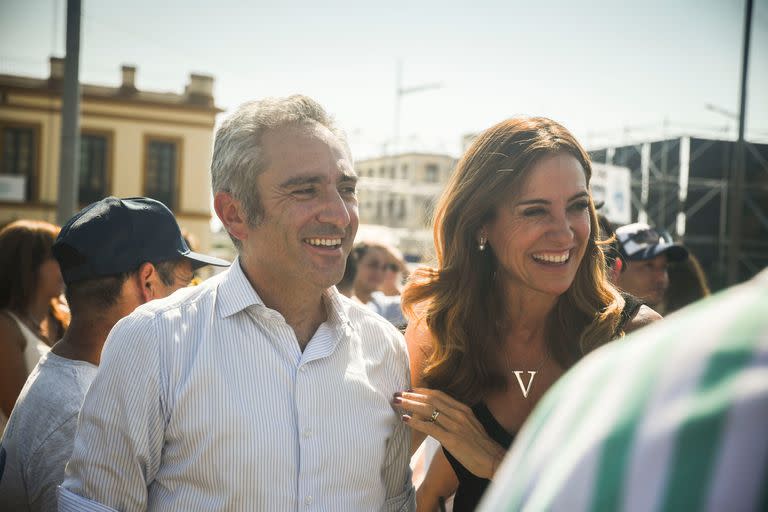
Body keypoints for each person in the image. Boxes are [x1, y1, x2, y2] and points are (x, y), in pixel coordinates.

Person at [58, 95, 415, 511]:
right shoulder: (153, 342)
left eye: (347, 189)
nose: (339, 214)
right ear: (234, 213)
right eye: (305, 190)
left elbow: (394, 504)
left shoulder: (384, 349)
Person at [391, 117, 660, 511]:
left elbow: (659, 493)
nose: (565, 233)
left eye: (577, 206)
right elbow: (372, 477)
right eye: (535, 211)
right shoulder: (440, 337)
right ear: (482, 225)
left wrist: (497, 463)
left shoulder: (636, 339)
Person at [0, 196, 228, 512]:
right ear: (147, 282)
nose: (190, 301)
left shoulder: (69, 379)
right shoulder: (83, 412)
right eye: (184, 284)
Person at [478, 266, 768, 512]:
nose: (661, 276)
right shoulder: (600, 376)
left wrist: (495, 463)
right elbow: (435, 486)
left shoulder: (660, 351)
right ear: (616, 268)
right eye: (647, 265)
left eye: (663, 265)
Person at [0, 219, 68, 431]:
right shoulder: (5, 328)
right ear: (28, 266)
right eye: (57, 258)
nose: (67, 266)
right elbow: (20, 416)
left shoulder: (63, 319)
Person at [614, 222, 688, 309]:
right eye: (648, 266)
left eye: (664, 267)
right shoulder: (596, 320)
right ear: (616, 269)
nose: (661, 279)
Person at [352, 241, 407, 328]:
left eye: (384, 267)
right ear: (353, 264)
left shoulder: (381, 303)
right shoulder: (337, 302)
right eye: (373, 265)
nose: (379, 272)